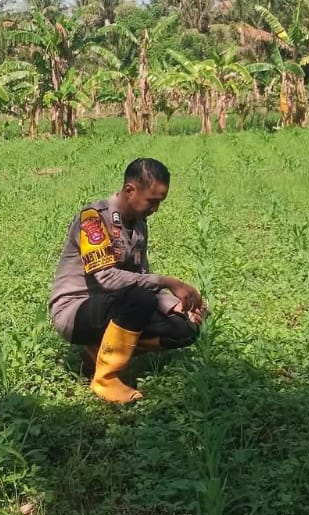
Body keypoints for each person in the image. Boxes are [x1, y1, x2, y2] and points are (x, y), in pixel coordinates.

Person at [49, 157, 207, 403]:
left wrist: (174, 306)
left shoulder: (139, 226)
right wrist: (168, 281)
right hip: (77, 309)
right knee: (139, 297)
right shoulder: (93, 219)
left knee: (183, 328)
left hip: (120, 304)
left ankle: (99, 352)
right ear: (130, 190)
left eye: (160, 202)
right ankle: (106, 378)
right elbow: (107, 278)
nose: (156, 209)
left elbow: (141, 277)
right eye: (152, 201)